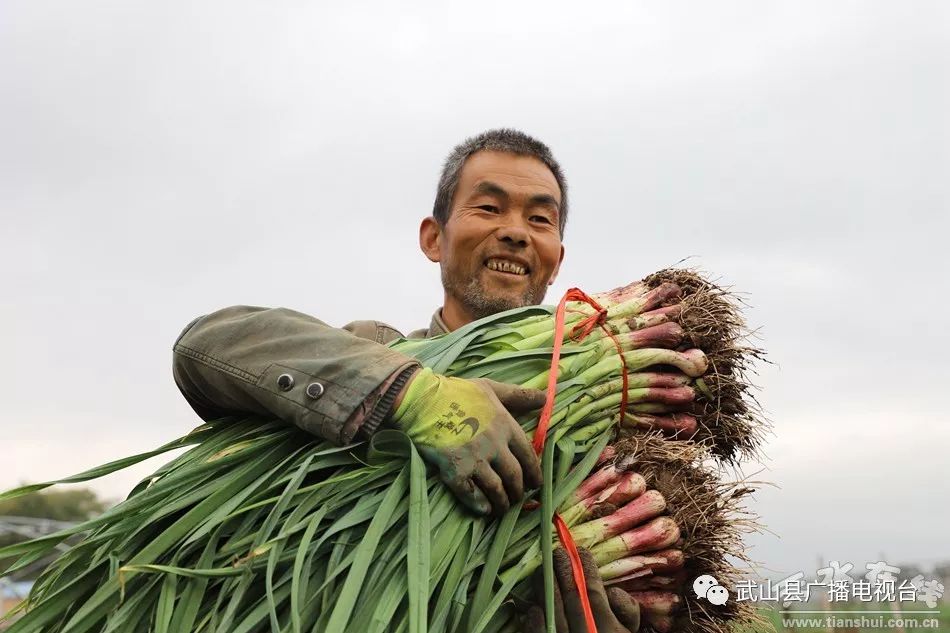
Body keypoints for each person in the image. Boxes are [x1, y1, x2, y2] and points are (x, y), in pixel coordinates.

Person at [172, 128, 640, 632]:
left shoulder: (604, 439)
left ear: (557, 260)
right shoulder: (374, 348)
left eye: (539, 219)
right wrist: (410, 394)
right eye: (488, 208)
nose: (515, 232)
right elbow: (204, 343)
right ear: (433, 238)